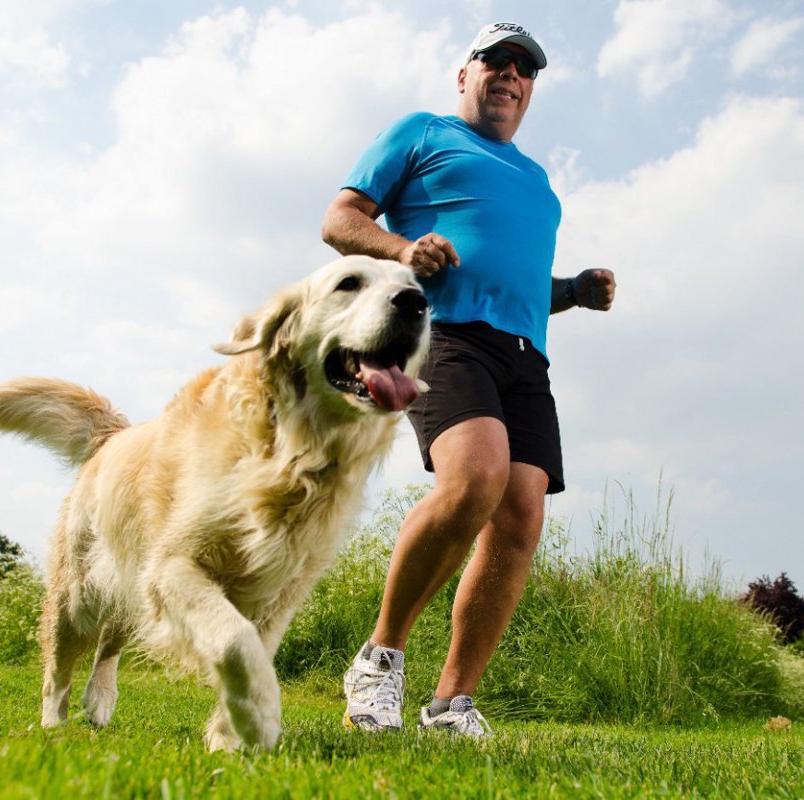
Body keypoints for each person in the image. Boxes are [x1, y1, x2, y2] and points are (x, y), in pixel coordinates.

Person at [320, 21, 616, 738]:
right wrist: (401, 247)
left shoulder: (539, 184)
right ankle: (379, 659)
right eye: (496, 62)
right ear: (465, 75)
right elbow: (340, 218)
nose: (510, 75)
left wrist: (572, 289)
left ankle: (451, 706)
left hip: (526, 355)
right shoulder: (422, 133)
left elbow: (514, 281)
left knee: (520, 516)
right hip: (446, 335)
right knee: (475, 479)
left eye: (525, 69)